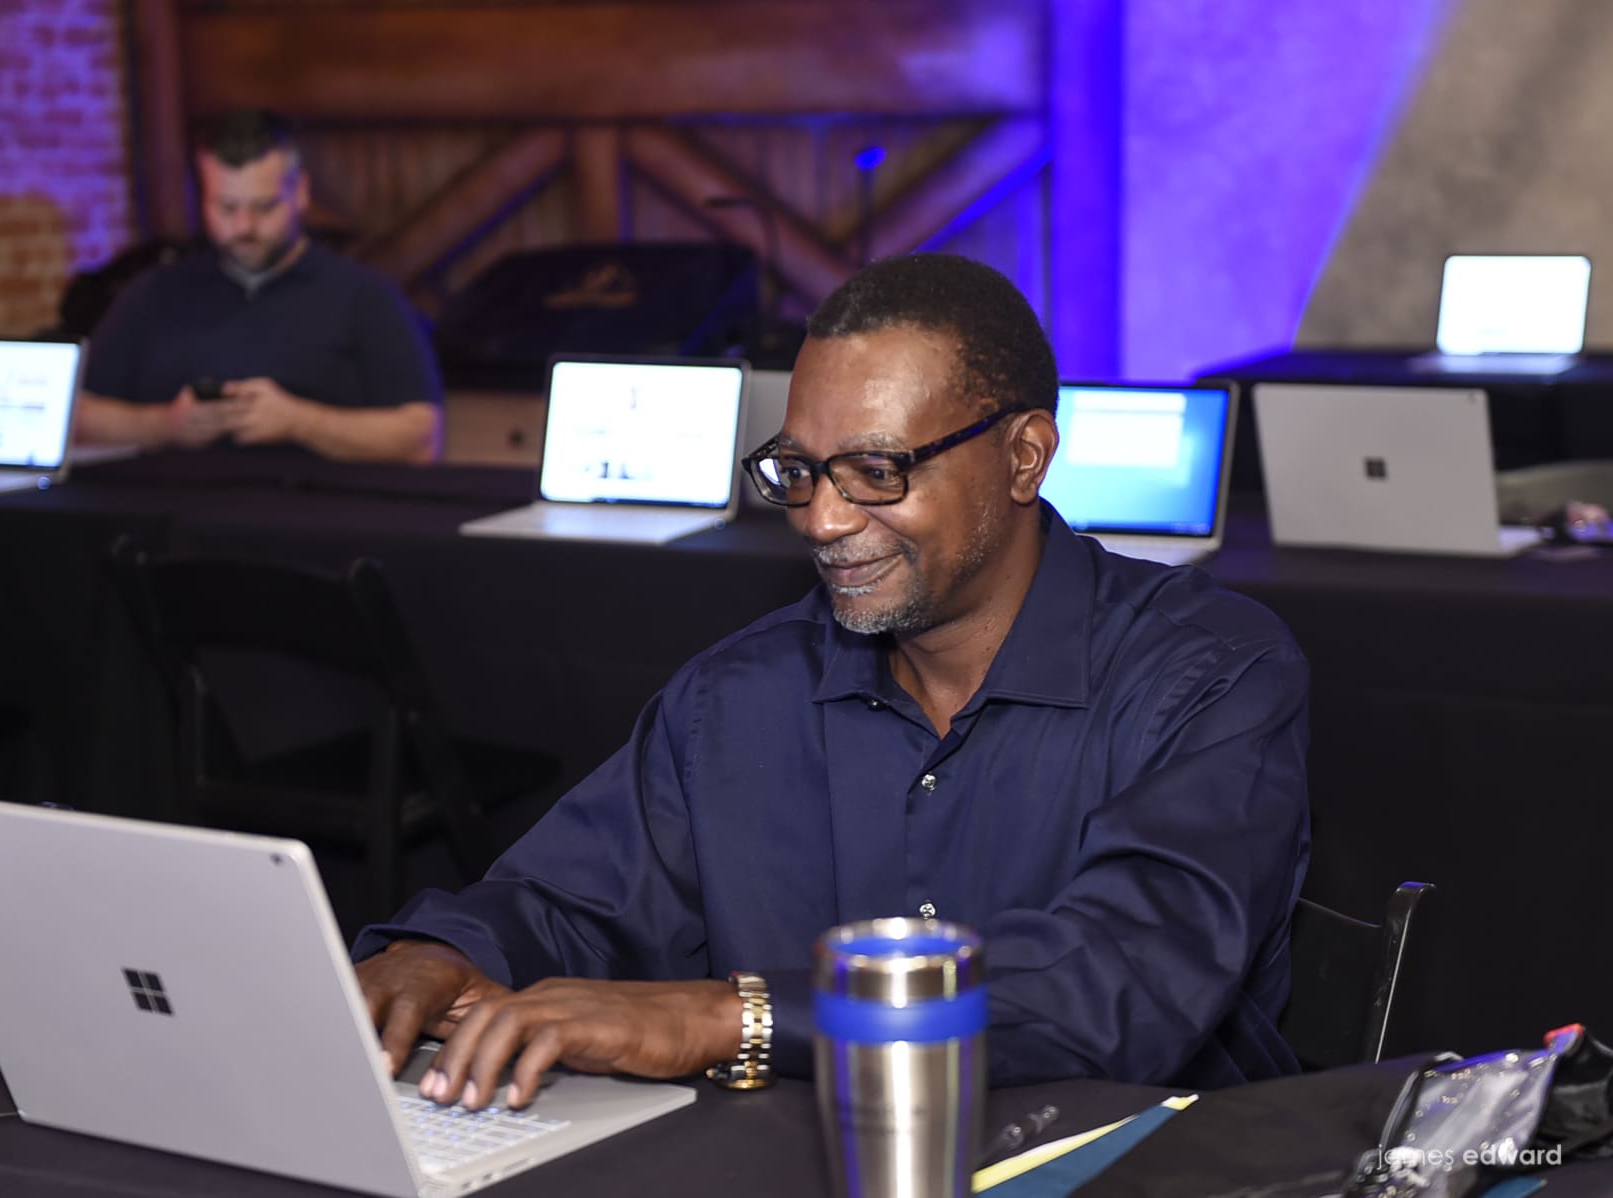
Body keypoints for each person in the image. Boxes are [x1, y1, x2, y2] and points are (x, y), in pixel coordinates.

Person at [353, 253, 1310, 1109]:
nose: (820, 520)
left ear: (1024, 456)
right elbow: (570, 902)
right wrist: (436, 958)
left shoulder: (1210, 675)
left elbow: (1118, 981)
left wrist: (734, 1018)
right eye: (800, 472)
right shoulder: (735, 697)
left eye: (876, 472)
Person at [75, 110, 444, 464]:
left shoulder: (364, 297)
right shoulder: (152, 294)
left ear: (299, 193)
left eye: (265, 207)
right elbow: (78, 418)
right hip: (172, 512)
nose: (244, 227)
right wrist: (166, 426)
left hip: (316, 516)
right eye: (226, 207)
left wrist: (300, 422)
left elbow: (420, 439)